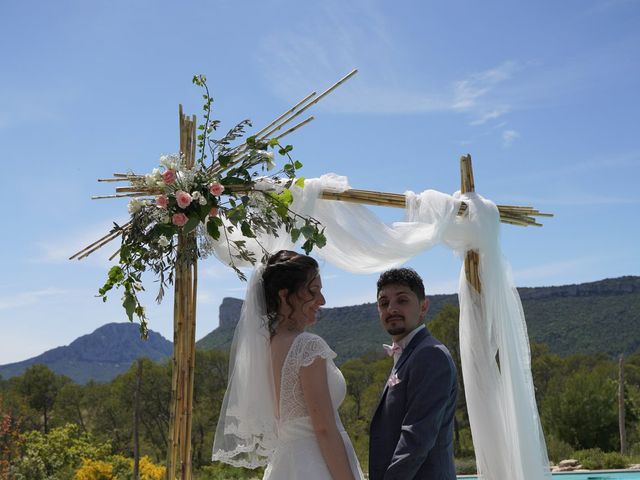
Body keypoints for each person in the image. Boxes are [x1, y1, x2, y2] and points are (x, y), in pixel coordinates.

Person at [212, 250, 364, 480]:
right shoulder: (307, 346)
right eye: (313, 291)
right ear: (284, 296)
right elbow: (323, 428)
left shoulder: (262, 350)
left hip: (285, 464)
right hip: (317, 465)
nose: (322, 301)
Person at [369, 268, 458, 480]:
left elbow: (416, 439)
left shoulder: (430, 354)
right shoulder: (410, 354)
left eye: (402, 300)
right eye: (384, 303)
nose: (392, 309)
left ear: (423, 306)